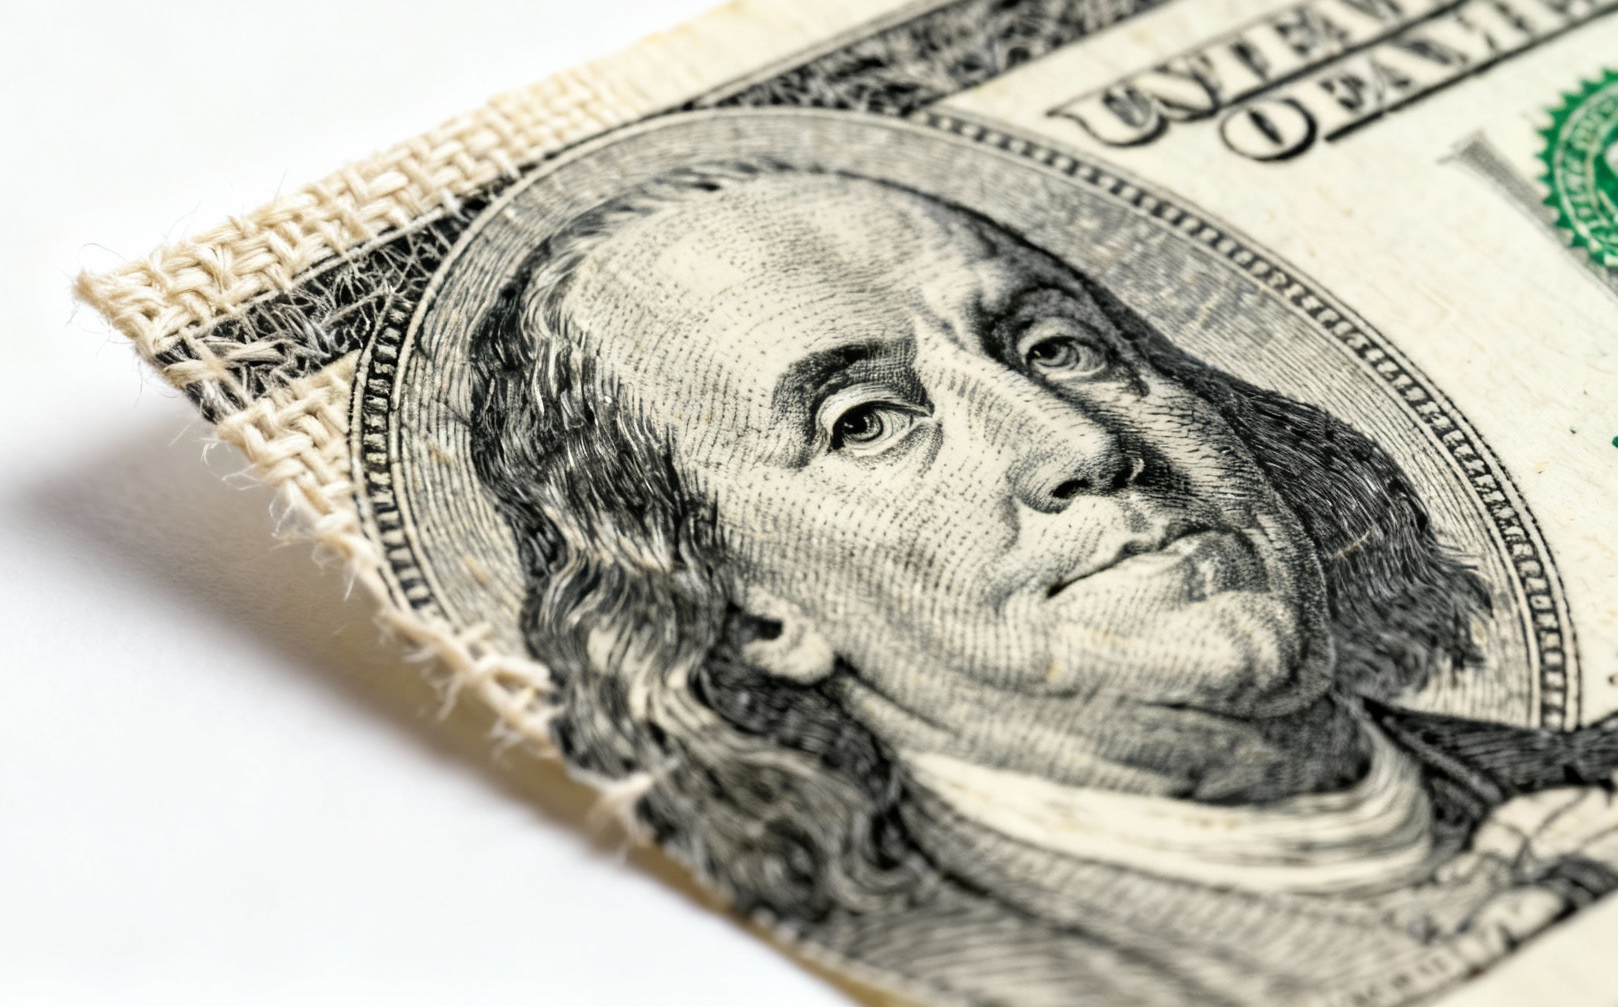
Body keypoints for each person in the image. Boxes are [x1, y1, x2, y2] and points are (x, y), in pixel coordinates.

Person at [466, 160, 1618, 1005]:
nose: (1077, 443)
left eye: (1056, 347)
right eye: (865, 423)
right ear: (746, 603)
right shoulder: (948, 971)